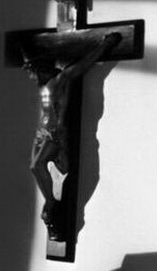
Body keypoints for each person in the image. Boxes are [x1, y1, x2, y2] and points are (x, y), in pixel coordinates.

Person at [23, 32, 122, 239]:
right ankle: (52, 202)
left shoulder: (62, 79)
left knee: (37, 165)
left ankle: (52, 204)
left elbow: (85, 64)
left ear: (41, 68)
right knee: (34, 167)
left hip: (56, 132)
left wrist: (106, 44)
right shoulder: (43, 86)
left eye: (32, 71)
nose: (31, 76)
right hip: (43, 132)